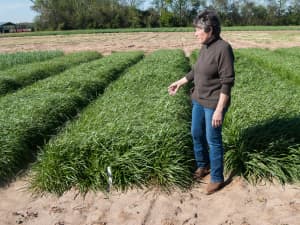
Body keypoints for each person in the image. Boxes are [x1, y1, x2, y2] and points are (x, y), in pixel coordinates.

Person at [168, 10, 235, 195]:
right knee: (196, 133)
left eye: (198, 29)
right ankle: (203, 165)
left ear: (210, 29)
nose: (195, 33)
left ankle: (216, 178)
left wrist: (220, 110)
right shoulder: (204, 46)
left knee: (213, 139)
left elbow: (227, 82)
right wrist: (180, 83)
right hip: (198, 99)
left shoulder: (223, 49)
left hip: (214, 103)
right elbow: (197, 70)